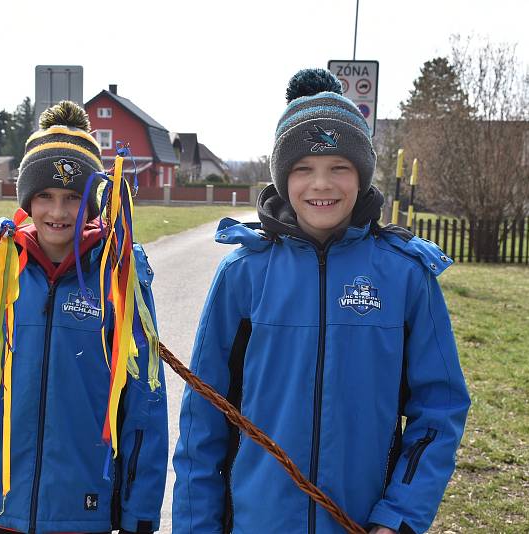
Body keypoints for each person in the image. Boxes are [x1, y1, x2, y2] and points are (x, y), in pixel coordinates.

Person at [172, 69, 470, 534]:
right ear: (282, 177)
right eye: (303, 169)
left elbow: (441, 408)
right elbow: (202, 419)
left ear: (362, 175)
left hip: (360, 522)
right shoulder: (244, 275)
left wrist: (399, 517)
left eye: (339, 168)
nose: (321, 185)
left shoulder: (406, 275)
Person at [0, 101, 168, 534]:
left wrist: (140, 514)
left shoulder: (118, 276)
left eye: (73, 197)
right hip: (6, 506)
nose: (58, 212)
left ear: (92, 203)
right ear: (27, 199)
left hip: (85, 508)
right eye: (45, 196)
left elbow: (144, 406)